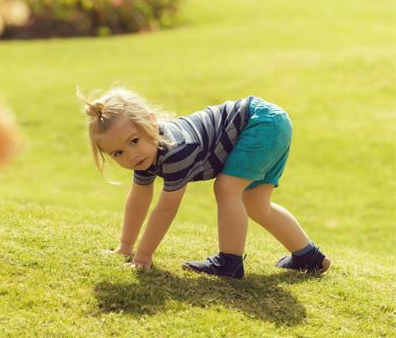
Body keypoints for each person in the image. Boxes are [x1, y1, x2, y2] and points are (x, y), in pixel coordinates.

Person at [79, 86, 330, 279]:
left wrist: (143, 255)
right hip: (272, 123)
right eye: (118, 153)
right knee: (256, 204)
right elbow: (139, 198)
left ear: (152, 123)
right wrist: (125, 246)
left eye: (134, 141)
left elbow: (166, 208)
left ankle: (229, 262)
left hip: (260, 123)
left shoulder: (177, 149)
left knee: (226, 188)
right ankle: (309, 257)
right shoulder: (147, 154)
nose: (131, 154)